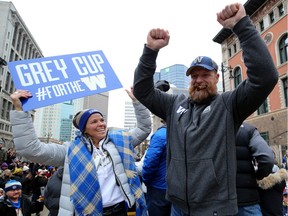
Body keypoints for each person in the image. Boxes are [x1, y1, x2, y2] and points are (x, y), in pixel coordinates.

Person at [133, 3, 278, 215]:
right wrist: (150, 51)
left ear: (217, 78)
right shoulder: (174, 105)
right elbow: (142, 90)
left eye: (205, 75)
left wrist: (241, 26)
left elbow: (265, 77)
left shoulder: (229, 105)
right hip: (178, 207)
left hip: (215, 210)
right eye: (194, 76)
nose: (199, 80)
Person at [9, 88, 151, 216]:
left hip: (122, 210)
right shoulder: (70, 150)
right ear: (84, 129)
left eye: (102, 120)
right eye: (94, 122)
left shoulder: (120, 141)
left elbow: (144, 129)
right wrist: (20, 111)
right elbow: (32, 150)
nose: (101, 124)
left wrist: (137, 102)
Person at [141, 80, 171, 216]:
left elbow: (150, 162)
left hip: (158, 188)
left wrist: (147, 180)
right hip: (177, 188)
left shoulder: (160, 135)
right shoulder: (180, 133)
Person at [235, 122, 275, 216]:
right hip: (247, 201)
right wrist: (259, 175)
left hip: (219, 203)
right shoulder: (248, 130)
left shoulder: (211, 130)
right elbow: (268, 158)